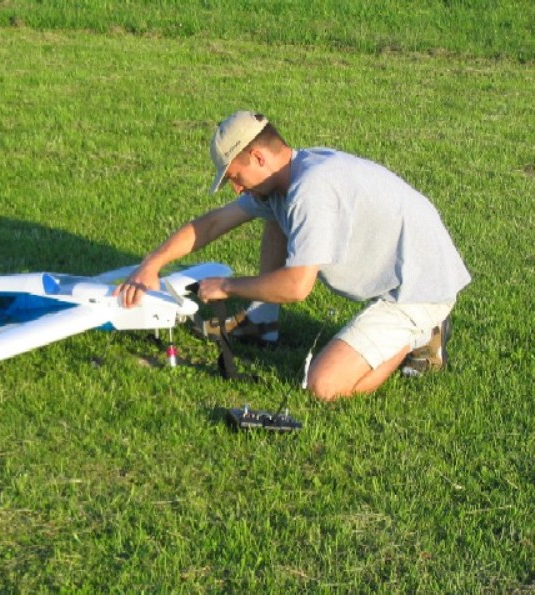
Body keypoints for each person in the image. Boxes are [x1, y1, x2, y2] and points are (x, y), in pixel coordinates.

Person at [114, 110, 471, 400]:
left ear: (258, 157)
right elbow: (214, 223)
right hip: (407, 271)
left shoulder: (311, 189)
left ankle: (423, 333)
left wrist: (226, 286)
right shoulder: (288, 176)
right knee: (274, 214)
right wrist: (151, 265)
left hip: (419, 288)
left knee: (325, 386)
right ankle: (262, 322)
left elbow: (297, 287)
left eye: (236, 177)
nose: (236, 188)